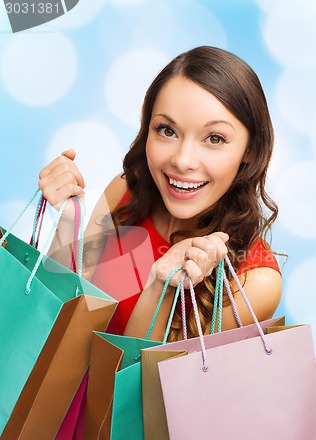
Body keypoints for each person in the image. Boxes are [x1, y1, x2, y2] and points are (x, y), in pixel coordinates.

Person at [38, 46, 282, 342]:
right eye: (167, 130)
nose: (182, 160)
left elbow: (143, 384)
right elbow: (59, 314)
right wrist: (67, 216)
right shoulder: (127, 191)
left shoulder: (254, 281)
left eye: (214, 138)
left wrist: (161, 289)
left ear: (250, 150)